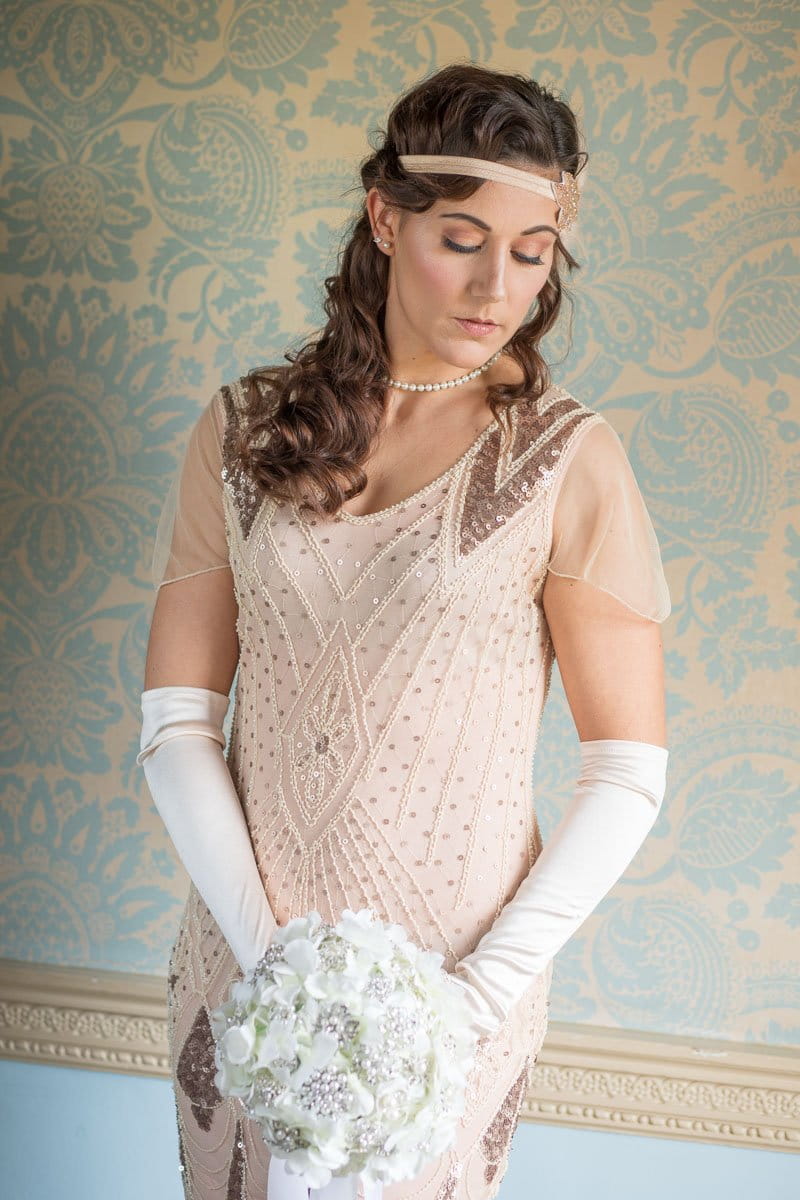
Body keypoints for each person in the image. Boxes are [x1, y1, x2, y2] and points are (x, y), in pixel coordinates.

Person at [137, 62, 671, 1200]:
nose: (496, 284)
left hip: (450, 990)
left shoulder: (566, 461)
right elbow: (177, 718)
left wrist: (470, 1000)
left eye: (530, 254)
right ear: (385, 217)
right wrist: (265, 958)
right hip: (241, 976)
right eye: (461, 238)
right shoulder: (243, 430)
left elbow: (624, 768)